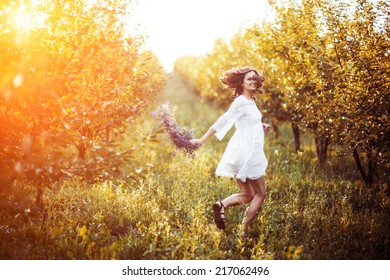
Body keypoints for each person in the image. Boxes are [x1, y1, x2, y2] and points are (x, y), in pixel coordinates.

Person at [190, 67, 270, 237]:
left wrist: (260, 126)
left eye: (255, 78)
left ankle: (221, 205)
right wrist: (202, 140)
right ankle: (244, 232)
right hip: (247, 153)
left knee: (248, 195)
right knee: (260, 194)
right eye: (249, 79)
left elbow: (246, 123)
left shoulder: (250, 101)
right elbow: (223, 121)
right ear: (241, 82)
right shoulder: (241, 101)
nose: (253, 81)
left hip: (241, 151)